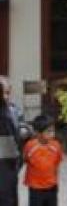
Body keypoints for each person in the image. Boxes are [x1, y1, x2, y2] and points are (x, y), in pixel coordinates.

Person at [22, 115, 63, 206]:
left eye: (53, 130)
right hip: (35, 188)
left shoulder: (56, 146)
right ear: (37, 133)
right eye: (48, 131)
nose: (52, 134)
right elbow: (25, 159)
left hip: (51, 187)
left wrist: (56, 182)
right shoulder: (30, 146)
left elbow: (57, 165)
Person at [0, 75, 21, 206]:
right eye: (3, 93)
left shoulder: (12, 111)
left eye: (8, 93)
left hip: (7, 161)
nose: (6, 97)